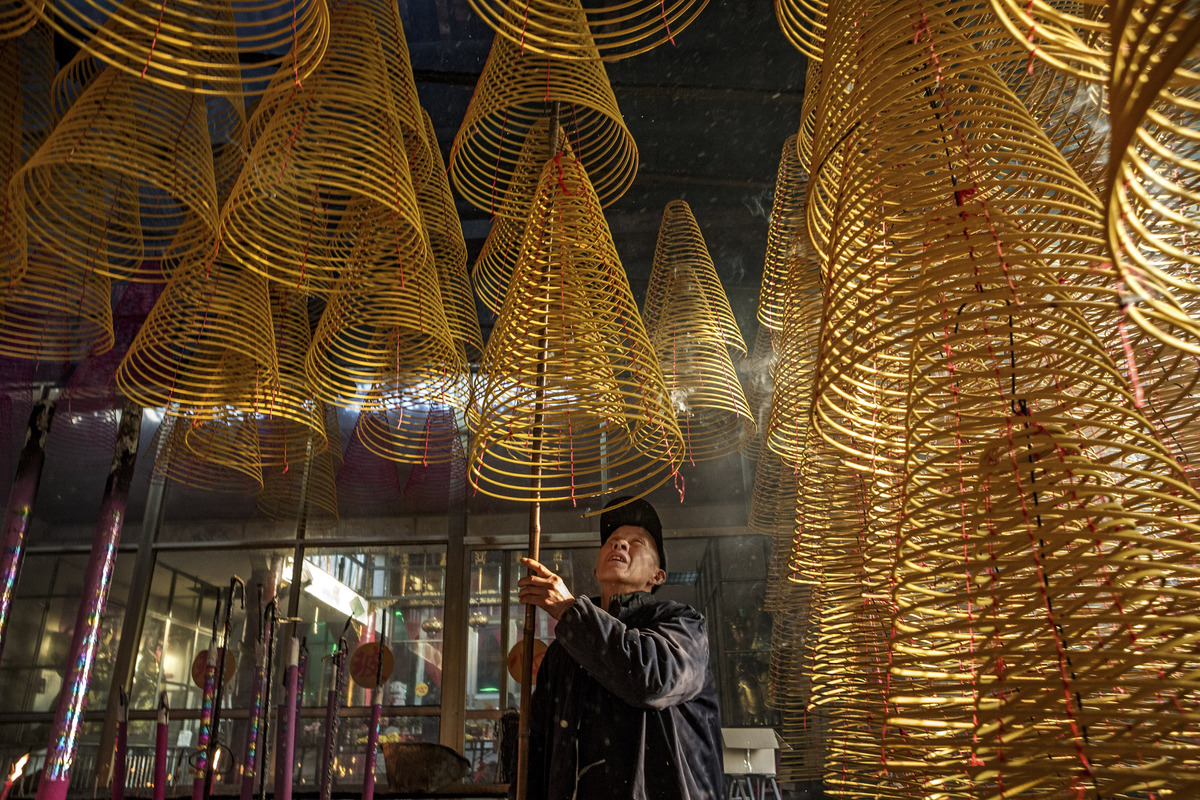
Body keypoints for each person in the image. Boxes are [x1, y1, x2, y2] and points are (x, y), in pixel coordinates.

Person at [513, 496, 725, 800]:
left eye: (636, 541)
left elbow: (652, 679)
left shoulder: (682, 625)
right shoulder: (564, 649)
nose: (620, 545)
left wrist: (572, 612)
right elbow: (538, 750)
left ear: (658, 575)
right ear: (597, 569)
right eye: (612, 540)